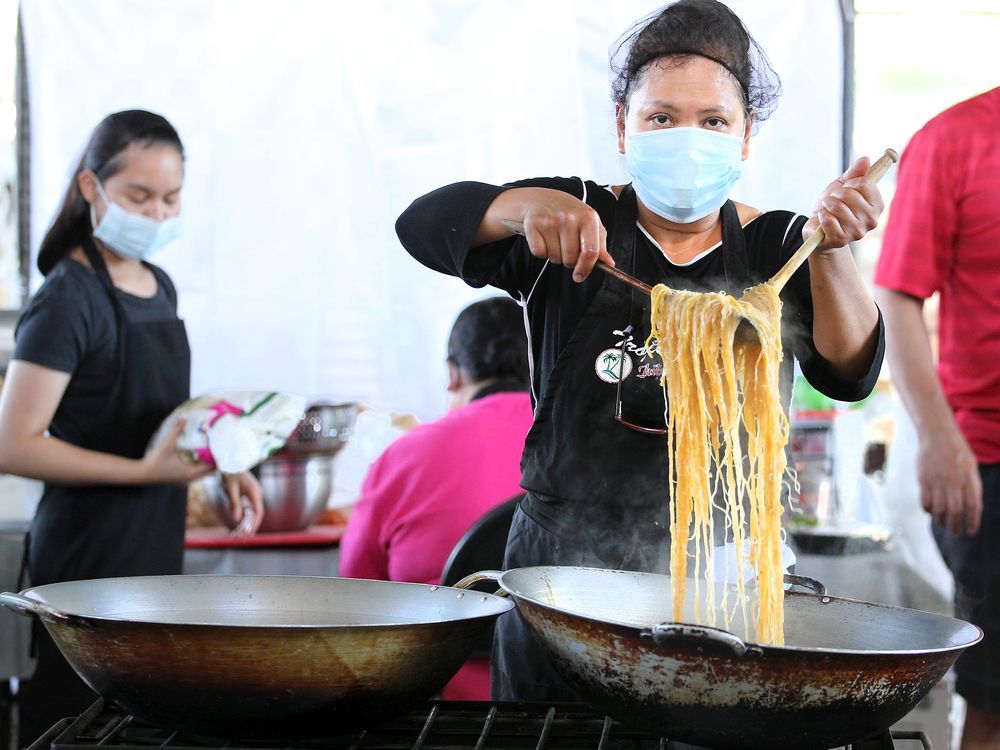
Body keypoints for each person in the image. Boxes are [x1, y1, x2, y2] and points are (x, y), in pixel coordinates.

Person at [395, 0, 885, 701]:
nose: (688, 137)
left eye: (714, 120)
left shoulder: (779, 246)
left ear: (746, 138)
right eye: (661, 117)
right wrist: (523, 208)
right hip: (564, 570)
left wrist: (834, 253)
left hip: (723, 574)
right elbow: (421, 225)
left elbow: (849, 373)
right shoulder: (577, 222)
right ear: (623, 123)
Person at [0, 110, 264, 744]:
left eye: (170, 199)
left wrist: (225, 459)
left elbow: (155, 414)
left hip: (151, 547)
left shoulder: (159, 286)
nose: (156, 215)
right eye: (138, 197)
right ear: (92, 188)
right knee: (77, 720)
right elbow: (12, 443)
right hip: (84, 559)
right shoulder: (68, 298)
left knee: (141, 721)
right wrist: (144, 473)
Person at [873, 87, 1000, 750]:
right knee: (996, 704)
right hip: (989, 462)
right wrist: (939, 436)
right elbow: (896, 296)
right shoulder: (955, 139)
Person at [339, 296, 533, 699]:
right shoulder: (581, 445)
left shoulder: (405, 453)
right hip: (564, 698)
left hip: (435, 701)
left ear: (453, 374)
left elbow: (356, 592)